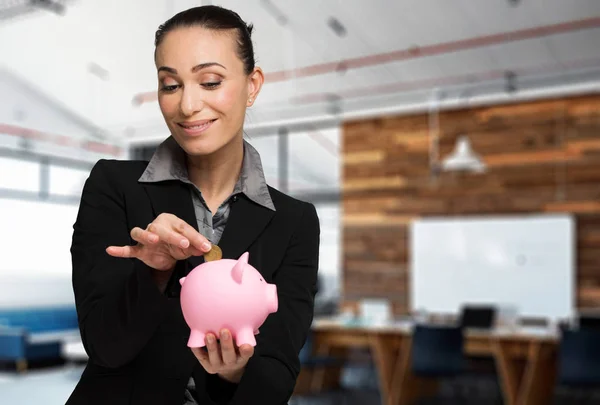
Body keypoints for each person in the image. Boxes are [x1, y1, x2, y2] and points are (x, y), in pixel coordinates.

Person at [67, 5, 320, 405]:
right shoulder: (114, 186)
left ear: (252, 85)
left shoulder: (294, 221)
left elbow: (278, 375)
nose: (187, 106)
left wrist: (235, 371)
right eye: (170, 85)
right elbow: (105, 348)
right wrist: (154, 274)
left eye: (210, 81)